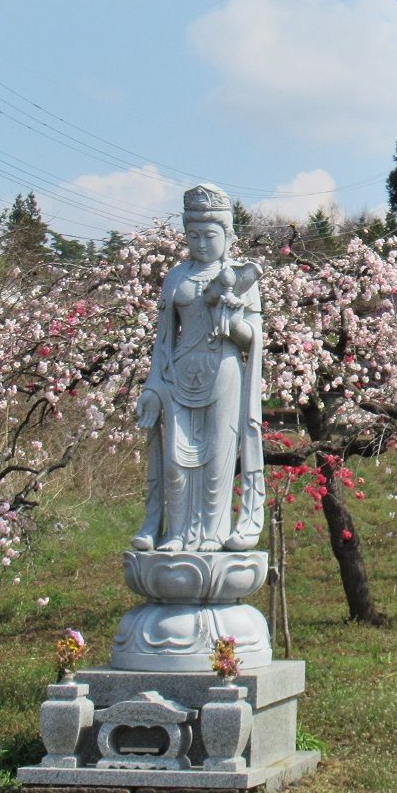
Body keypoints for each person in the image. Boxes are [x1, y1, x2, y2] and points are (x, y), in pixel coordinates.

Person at [132, 184, 265, 552]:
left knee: (217, 461)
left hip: (222, 371)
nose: (202, 243)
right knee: (177, 463)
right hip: (178, 373)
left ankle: (213, 533)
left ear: (228, 236)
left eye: (210, 235)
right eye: (194, 236)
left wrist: (232, 321)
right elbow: (163, 340)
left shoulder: (240, 278)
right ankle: (176, 534)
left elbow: (253, 337)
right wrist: (152, 387)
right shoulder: (176, 278)